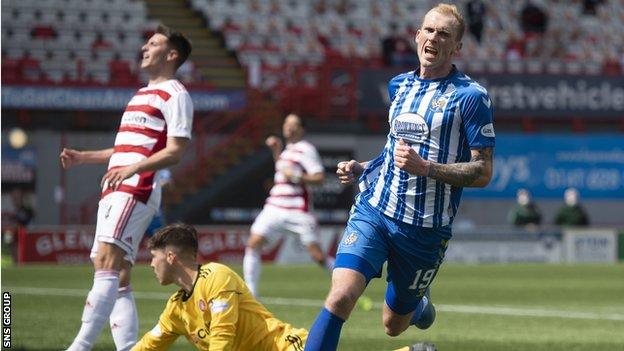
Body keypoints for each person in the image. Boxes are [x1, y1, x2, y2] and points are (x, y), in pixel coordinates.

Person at [304, 4, 495, 350]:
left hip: (424, 231)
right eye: (429, 30)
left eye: (444, 34)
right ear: (417, 36)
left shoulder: (471, 97)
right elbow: (394, 149)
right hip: (375, 212)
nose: (434, 37)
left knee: (393, 325)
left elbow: (483, 172)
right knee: (340, 298)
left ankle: (418, 306)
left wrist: (427, 168)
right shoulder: (399, 86)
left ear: (456, 48)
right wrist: (366, 167)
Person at [59, 25, 193, 351]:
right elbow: (124, 150)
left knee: (107, 261)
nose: (144, 48)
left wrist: (134, 168)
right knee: (116, 273)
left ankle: (80, 346)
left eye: (153, 43)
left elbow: (175, 151)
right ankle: (129, 347)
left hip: (137, 186)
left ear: (172, 54)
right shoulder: (141, 93)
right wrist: (84, 157)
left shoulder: (176, 94)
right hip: (119, 185)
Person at [131, 223, 308, 351]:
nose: (151, 264)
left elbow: (222, 335)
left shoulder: (216, 275)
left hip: (287, 347)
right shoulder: (176, 308)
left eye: (154, 256)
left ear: (171, 257)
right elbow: (148, 345)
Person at [243, 113, 334, 297]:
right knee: (253, 244)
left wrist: (297, 176)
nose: (289, 127)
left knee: (317, 256)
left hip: (297, 210)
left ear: (302, 129)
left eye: (294, 124)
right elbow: (283, 172)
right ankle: (251, 295)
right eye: (286, 123)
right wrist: (277, 152)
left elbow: (319, 178)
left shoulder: (306, 149)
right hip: (274, 206)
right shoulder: (286, 151)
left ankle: (347, 285)